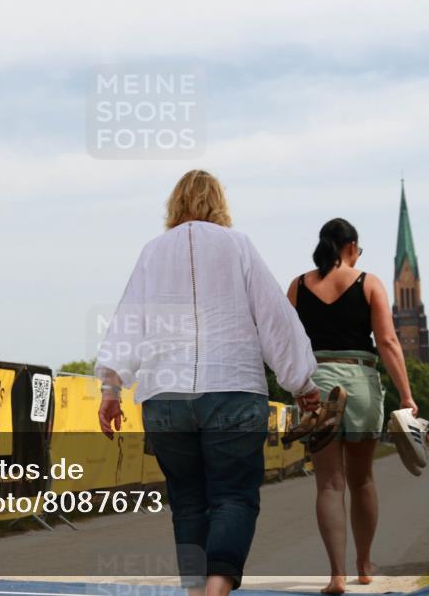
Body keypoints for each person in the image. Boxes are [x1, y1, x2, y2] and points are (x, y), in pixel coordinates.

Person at [95, 169, 320, 596]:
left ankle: (196, 591)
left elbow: (128, 320)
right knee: (234, 496)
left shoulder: (153, 251)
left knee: (187, 503)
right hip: (233, 387)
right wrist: (301, 383)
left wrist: (111, 387)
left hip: (165, 396)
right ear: (220, 203)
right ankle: (217, 587)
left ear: (174, 204)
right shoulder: (238, 245)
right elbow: (274, 316)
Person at [286, 218, 417, 595]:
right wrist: (406, 395)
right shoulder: (368, 282)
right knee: (362, 479)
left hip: (317, 387)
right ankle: (364, 564)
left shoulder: (298, 286)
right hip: (360, 382)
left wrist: (296, 387)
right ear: (351, 247)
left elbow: (286, 341)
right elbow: (388, 342)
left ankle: (336, 575)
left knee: (329, 484)